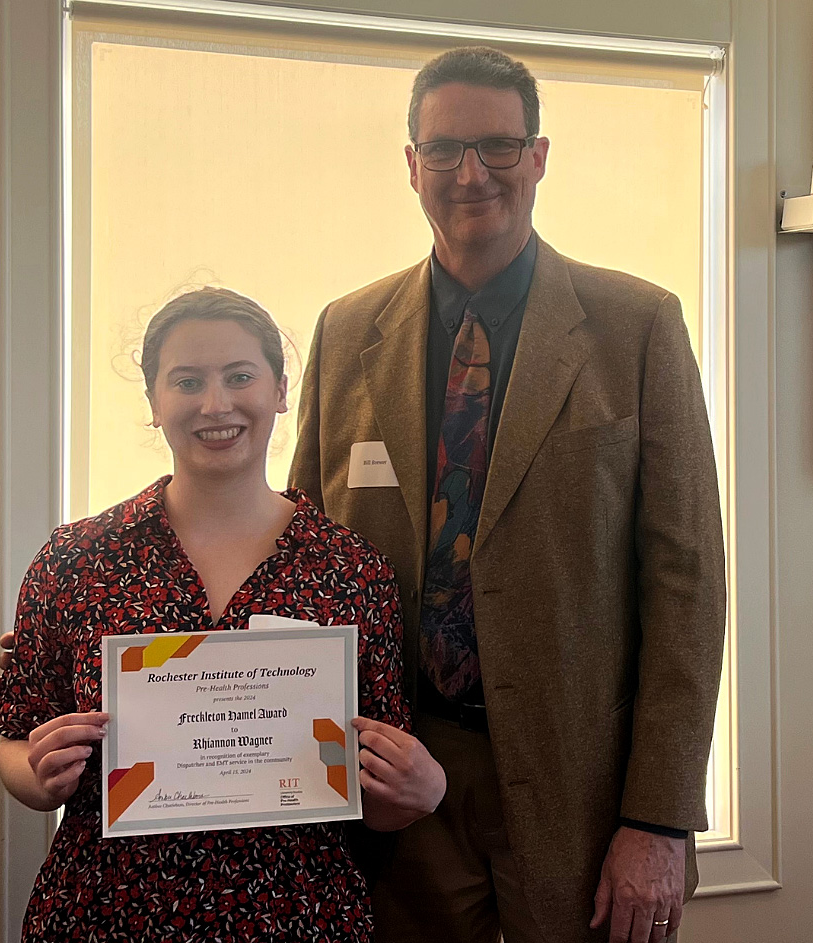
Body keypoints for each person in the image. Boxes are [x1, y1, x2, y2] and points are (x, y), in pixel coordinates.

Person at [287, 46, 727, 943]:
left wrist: (659, 819)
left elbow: (686, 586)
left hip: (584, 785)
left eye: (497, 145)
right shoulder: (345, 330)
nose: (471, 172)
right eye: (444, 149)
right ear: (411, 164)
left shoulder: (637, 325)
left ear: (538, 156)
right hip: (396, 777)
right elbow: (298, 554)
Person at [0, 287, 446, 942]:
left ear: (280, 390)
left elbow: (374, 792)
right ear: (154, 400)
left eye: (239, 376)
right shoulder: (74, 559)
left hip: (298, 913)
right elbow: (15, 731)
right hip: (111, 911)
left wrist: (420, 788)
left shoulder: (351, 570)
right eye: (187, 381)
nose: (215, 404)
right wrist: (34, 777)